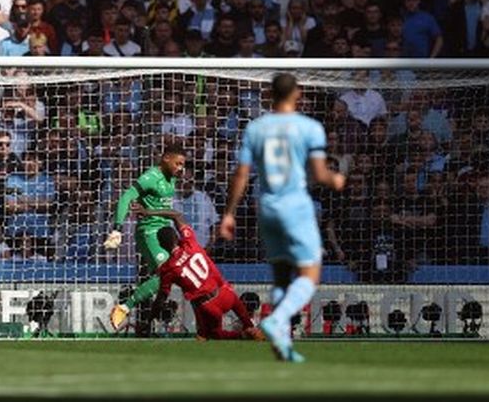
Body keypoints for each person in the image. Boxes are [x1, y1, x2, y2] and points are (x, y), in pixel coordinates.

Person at [219, 73, 346, 362]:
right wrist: (336, 179)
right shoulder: (310, 127)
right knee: (310, 275)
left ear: (269, 95)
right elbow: (319, 173)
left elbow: (241, 173)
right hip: (296, 206)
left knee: (280, 278)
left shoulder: (256, 128)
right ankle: (279, 319)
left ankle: (283, 347)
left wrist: (228, 213)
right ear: (297, 94)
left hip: (266, 207)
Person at [140, 208, 262, 341]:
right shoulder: (190, 242)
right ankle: (254, 331)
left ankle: (242, 335)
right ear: (176, 237)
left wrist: (149, 320)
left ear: (161, 245)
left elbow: (161, 299)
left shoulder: (168, 269)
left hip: (208, 305)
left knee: (215, 334)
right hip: (225, 293)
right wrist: (149, 212)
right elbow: (176, 215)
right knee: (247, 323)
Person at [105, 143, 187, 331]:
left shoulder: (172, 178)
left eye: (183, 165)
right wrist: (117, 229)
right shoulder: (150, 177)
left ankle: (147, 323)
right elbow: (126, 197)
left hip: (165, 232)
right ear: (166, 158)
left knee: (171, 275)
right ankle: (123, 308)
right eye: (178, 164)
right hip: (149, 233)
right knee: (167, 273)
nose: (180, 169)